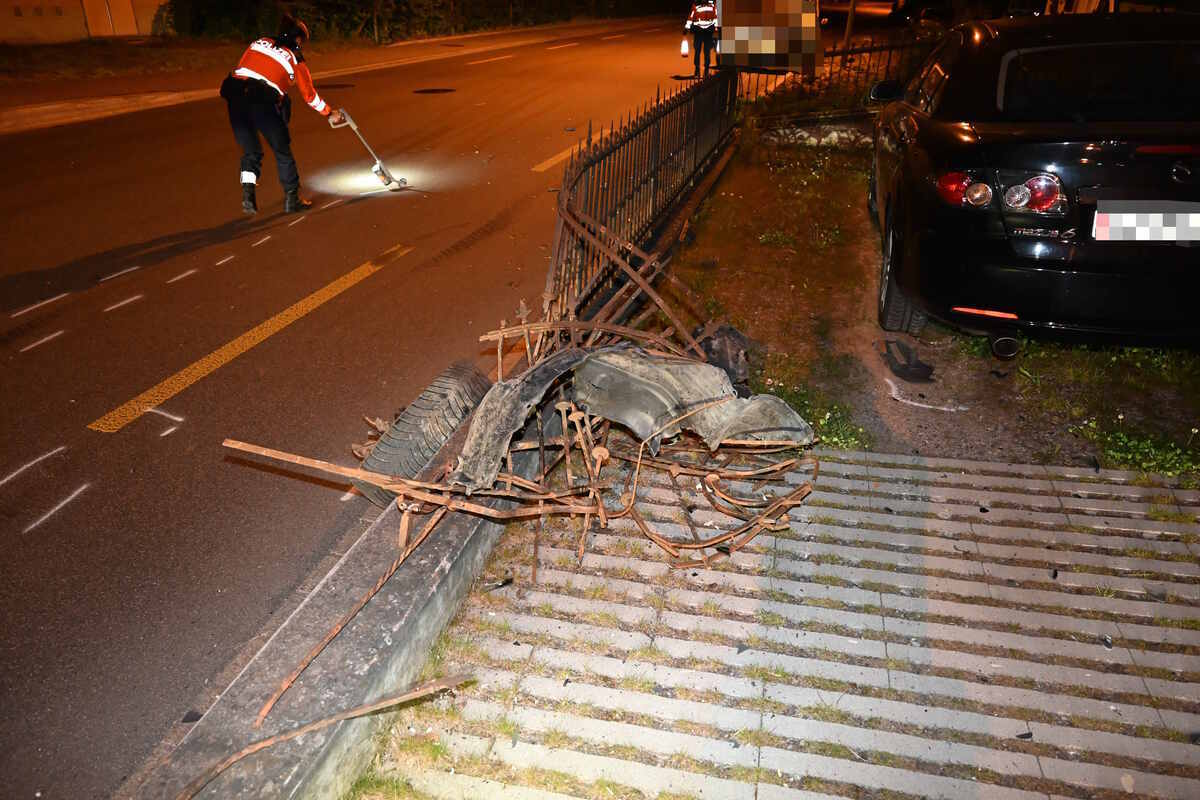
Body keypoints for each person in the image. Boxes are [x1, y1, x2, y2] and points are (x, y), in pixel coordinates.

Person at [219, 14, 345, 215]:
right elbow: (310, 96)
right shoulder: (296, 59)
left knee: (252, 152)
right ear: (297, 39)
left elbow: (243, 67)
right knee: (282, 151)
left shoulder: (260, 41)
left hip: (235, 97)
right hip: (261, 100)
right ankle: (292, 198)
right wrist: (329, 113)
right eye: (301, 41)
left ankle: (248, 194)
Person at [685, 2, 719, 78]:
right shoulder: (712, 6)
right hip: (708, 32)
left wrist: (686, 28)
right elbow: (715, 17)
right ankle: (706, 71)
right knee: (707, 52)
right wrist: (716, 28)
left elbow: (691, 17)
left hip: (699, 31)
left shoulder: (696, 5)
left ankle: (697, 71)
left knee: (697, 51)